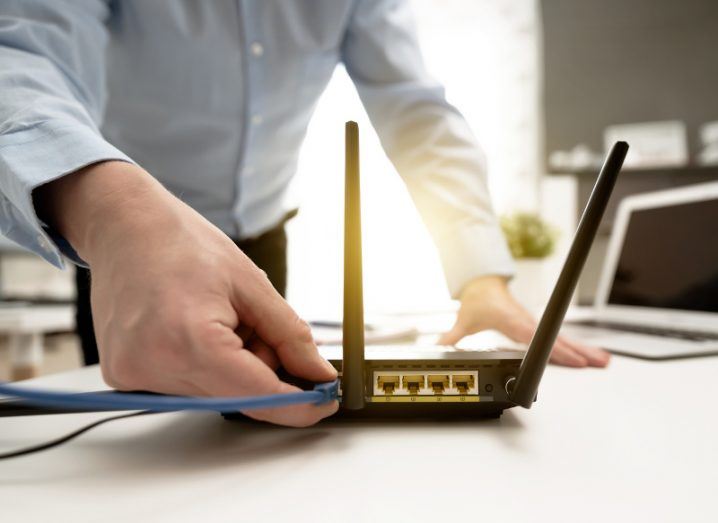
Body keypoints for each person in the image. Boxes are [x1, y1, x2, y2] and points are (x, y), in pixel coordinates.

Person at [0, 1, 609, 427]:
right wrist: (115, 215)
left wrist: (480, 273)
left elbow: (417, 112)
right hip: (130, 242)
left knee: (266, 417)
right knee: (152, 438)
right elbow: (20, 56)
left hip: (264, 240)